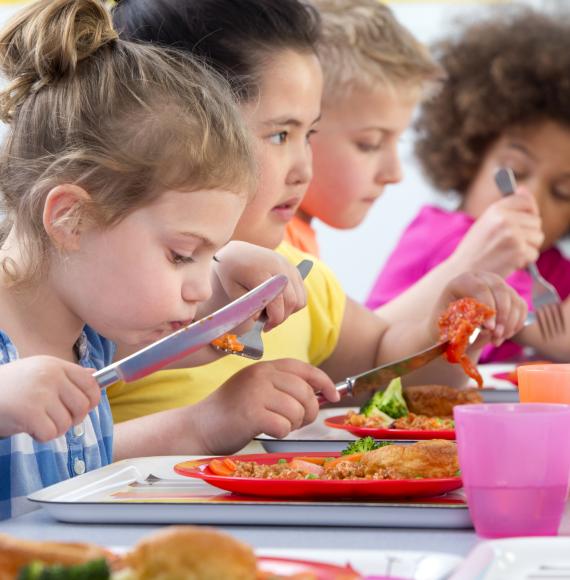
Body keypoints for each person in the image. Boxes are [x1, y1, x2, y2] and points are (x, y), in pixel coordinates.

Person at [109, 0, 527, 424]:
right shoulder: (117, 293)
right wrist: (207, 421)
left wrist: (452, 329)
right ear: (181, 132)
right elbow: (59, 458)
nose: (304, 168)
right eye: (279, 135)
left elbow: (387, 372)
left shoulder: (299, 278)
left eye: (308, 134)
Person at [0, 0, 341, 520]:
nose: (200, 287)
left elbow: (198, 342)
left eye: (212, 251)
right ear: (71, 220)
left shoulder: (91, 339)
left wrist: (233, 282)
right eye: (183, 255)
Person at [366, 7, 570, 362]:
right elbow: (560, 339)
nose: (529, 198)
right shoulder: (454, 237)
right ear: (470, 156)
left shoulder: (547, 267)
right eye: (515, 170)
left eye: (562, 192)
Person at [284, 0, 442, 258]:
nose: (394, 174)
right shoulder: (270, 246)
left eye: (398, 141)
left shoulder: (296, 238)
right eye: (369, 144)